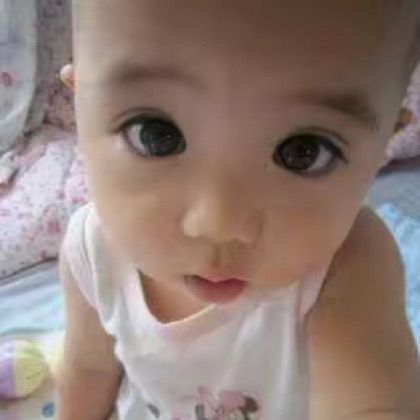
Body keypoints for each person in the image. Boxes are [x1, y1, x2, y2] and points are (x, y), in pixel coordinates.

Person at [57, 1, 420, 419]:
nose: (219, 224)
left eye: (303, 152)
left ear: (384, 143)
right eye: (156, 135)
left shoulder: (349, 266)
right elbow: (87, 371)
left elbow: (371, 407)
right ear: (78, 104)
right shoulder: (92, 249)